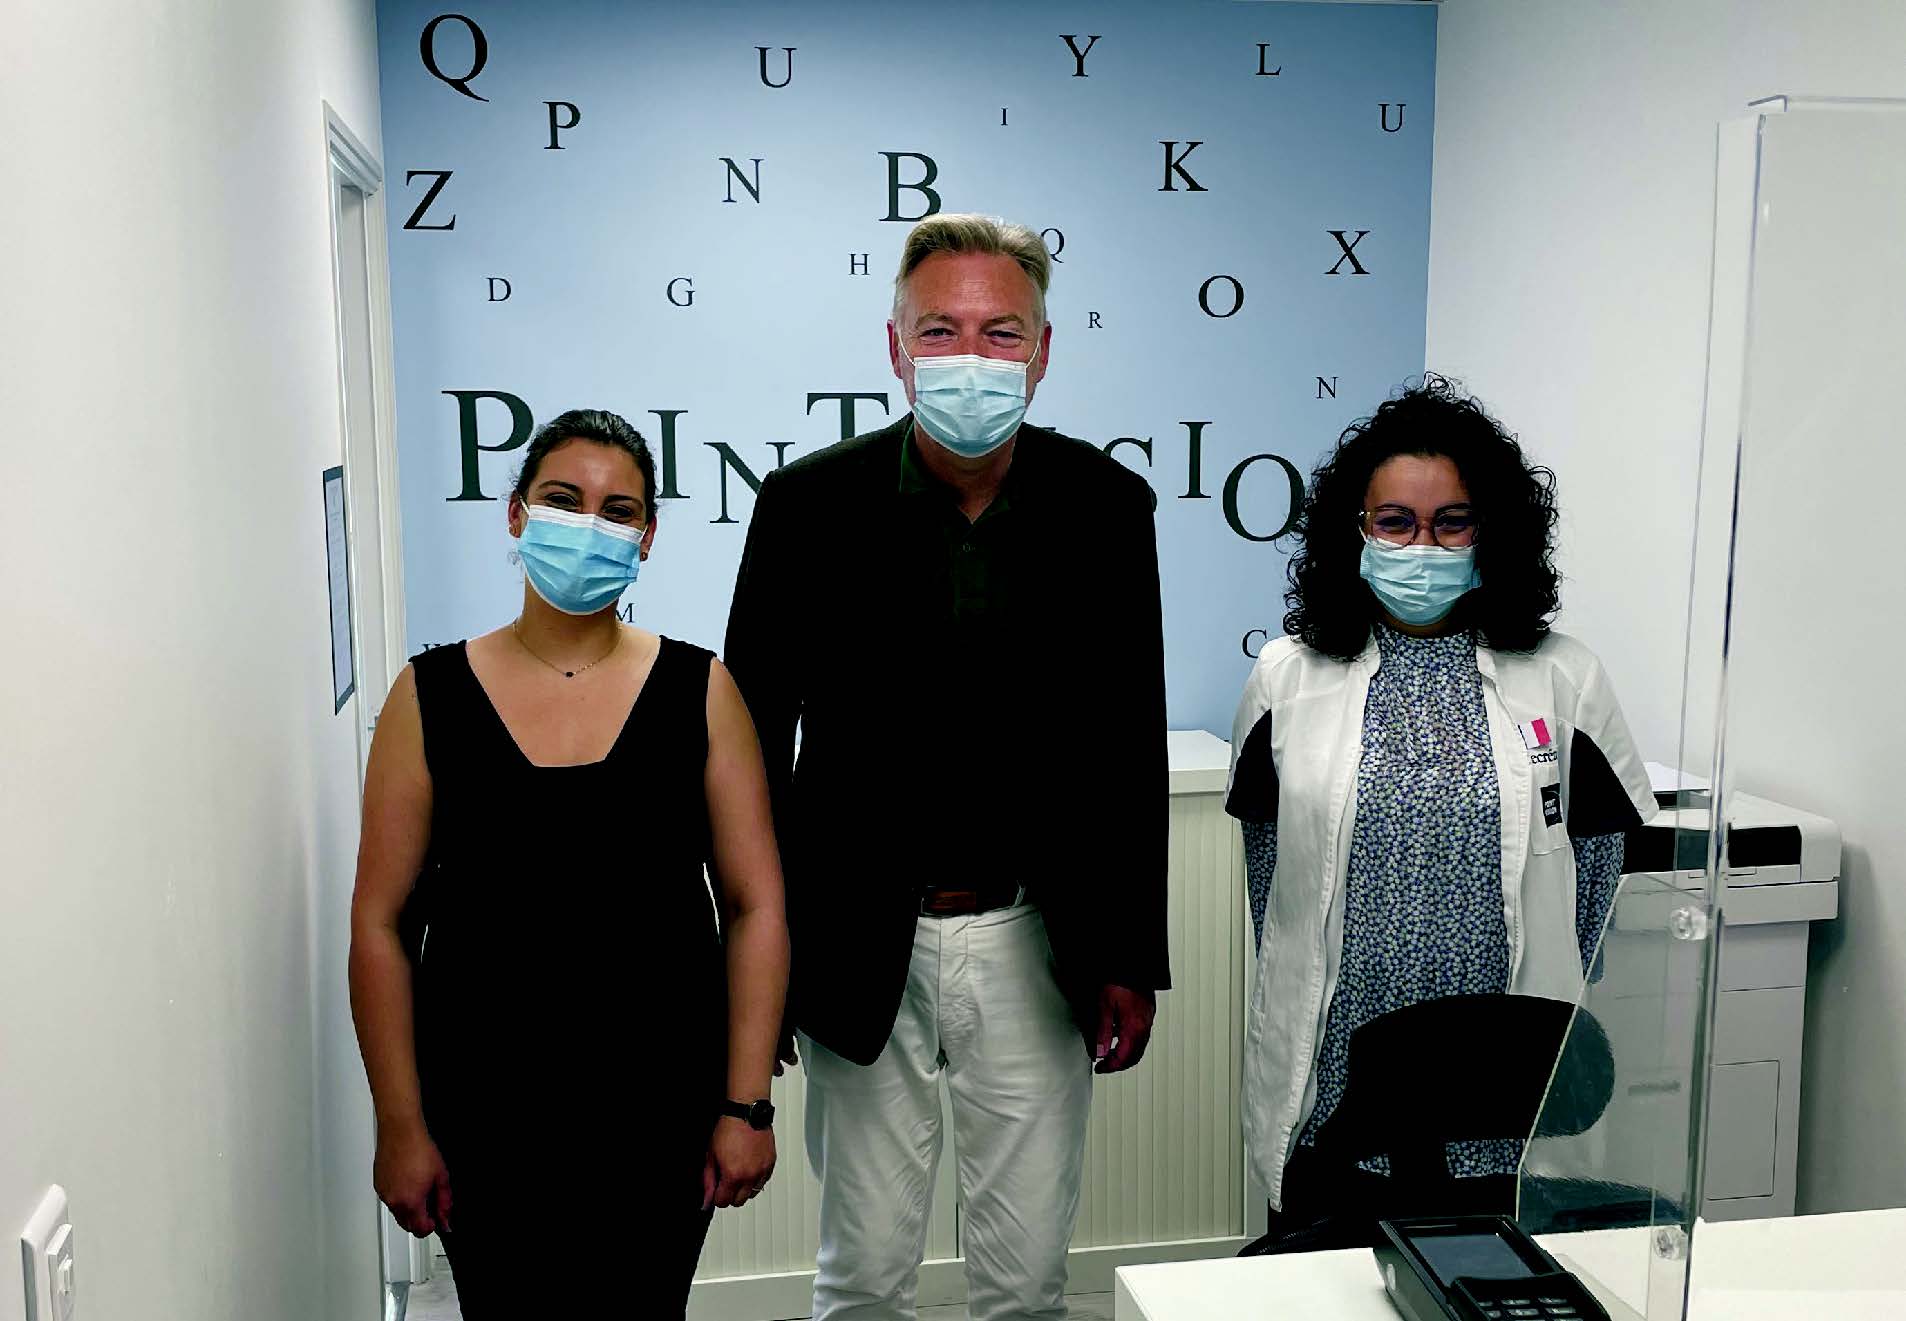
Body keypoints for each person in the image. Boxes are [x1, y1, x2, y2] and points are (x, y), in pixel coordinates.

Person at [724, 214, 1169, 1321]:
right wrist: (758, 968)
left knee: (1024, 1283)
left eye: (1000, 332)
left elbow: (1127, 740)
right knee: (862, 1275)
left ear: (1042, 351)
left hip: (1036, 939)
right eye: (940, 330)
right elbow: (751, 752)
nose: (970, 357)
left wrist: (1128, 952)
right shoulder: (806, 507)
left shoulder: (1107, 508)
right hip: (855, 938)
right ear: (896, 347)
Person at [348, 409, 789, 1318]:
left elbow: (755, 906)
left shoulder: (701, 691)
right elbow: (380, 923)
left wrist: (746, 1106)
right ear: (516, 513)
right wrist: (400, 1121)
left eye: (617, 510)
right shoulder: (427, 697)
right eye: (562, 499)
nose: (589, 525)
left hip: (660, 1114)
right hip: (483, 1116)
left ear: (648, 536)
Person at [1224, 378, 1656, 1225]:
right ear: (1354, 530)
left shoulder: (1564, 676)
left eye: (1451, 521)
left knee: (1495, 1275)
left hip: (1506, 1089)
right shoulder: (1287, 676)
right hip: (1339, 1083)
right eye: (1395, 522)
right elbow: (1271, 882)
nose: (1422, 545)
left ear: (1492, 530)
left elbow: (1599, 879)